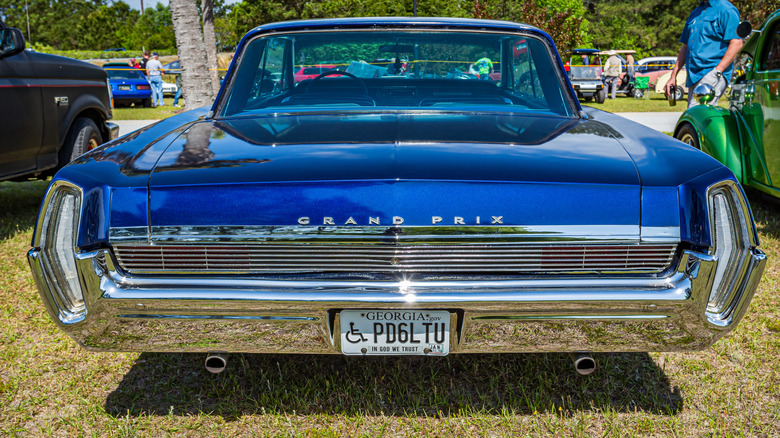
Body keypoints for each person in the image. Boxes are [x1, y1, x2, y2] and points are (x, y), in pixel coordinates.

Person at [666, 0, 742, 107]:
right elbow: (685, 47)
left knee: (697, 113)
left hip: (712, 72)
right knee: (696, 115)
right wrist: (673, 76)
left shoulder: (726, 9)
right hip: (693, 75)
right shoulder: (696, 13)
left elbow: (736, 43)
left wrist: (718, 71)